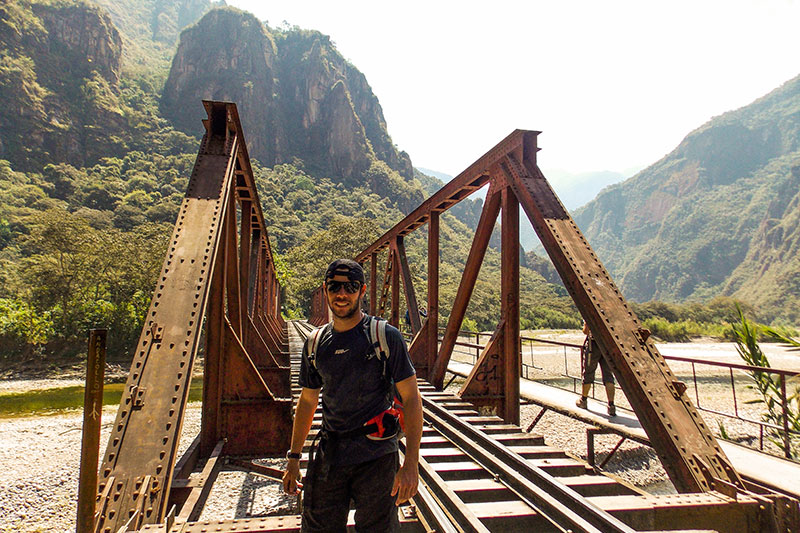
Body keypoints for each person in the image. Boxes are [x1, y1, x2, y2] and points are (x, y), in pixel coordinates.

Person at [283, 259, 423, 532]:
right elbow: (308, 401)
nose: (342, 294)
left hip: (376, 456)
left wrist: (411, 464)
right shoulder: (315, 343)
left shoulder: (385, 336)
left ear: (362, 291)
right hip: (330, 453)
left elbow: (412, 398)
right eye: (335, 287)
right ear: (325, 290)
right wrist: (293, 457)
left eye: (350, 287)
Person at [576, 320, 617, 416]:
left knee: (588, 373)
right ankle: (611, 406)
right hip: (608, 345)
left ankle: (583, 400)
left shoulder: (591, 314)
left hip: (593, 345)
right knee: (608, 376)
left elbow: (586, 331)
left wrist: (586, 323)